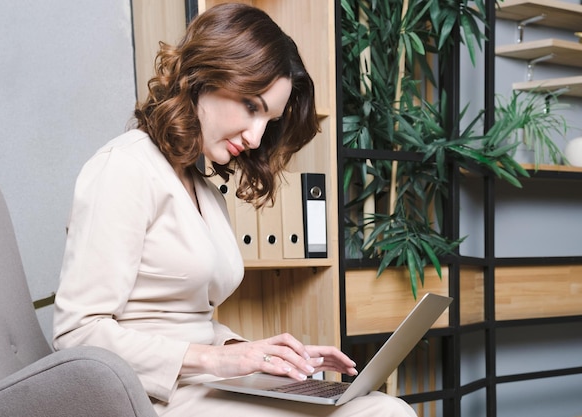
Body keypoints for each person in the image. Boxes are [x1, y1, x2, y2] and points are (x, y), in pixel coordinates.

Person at [52, 3, 417, 417]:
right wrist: (219, 361)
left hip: (209, 383)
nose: (257, 137)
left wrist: (259, 355)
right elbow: (77, 335)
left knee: (382, 408)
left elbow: (194, 323)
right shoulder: (124, 168)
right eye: (251, 106)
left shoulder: (203, 186)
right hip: (152, 397)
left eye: (269, 119)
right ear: (205, 75)